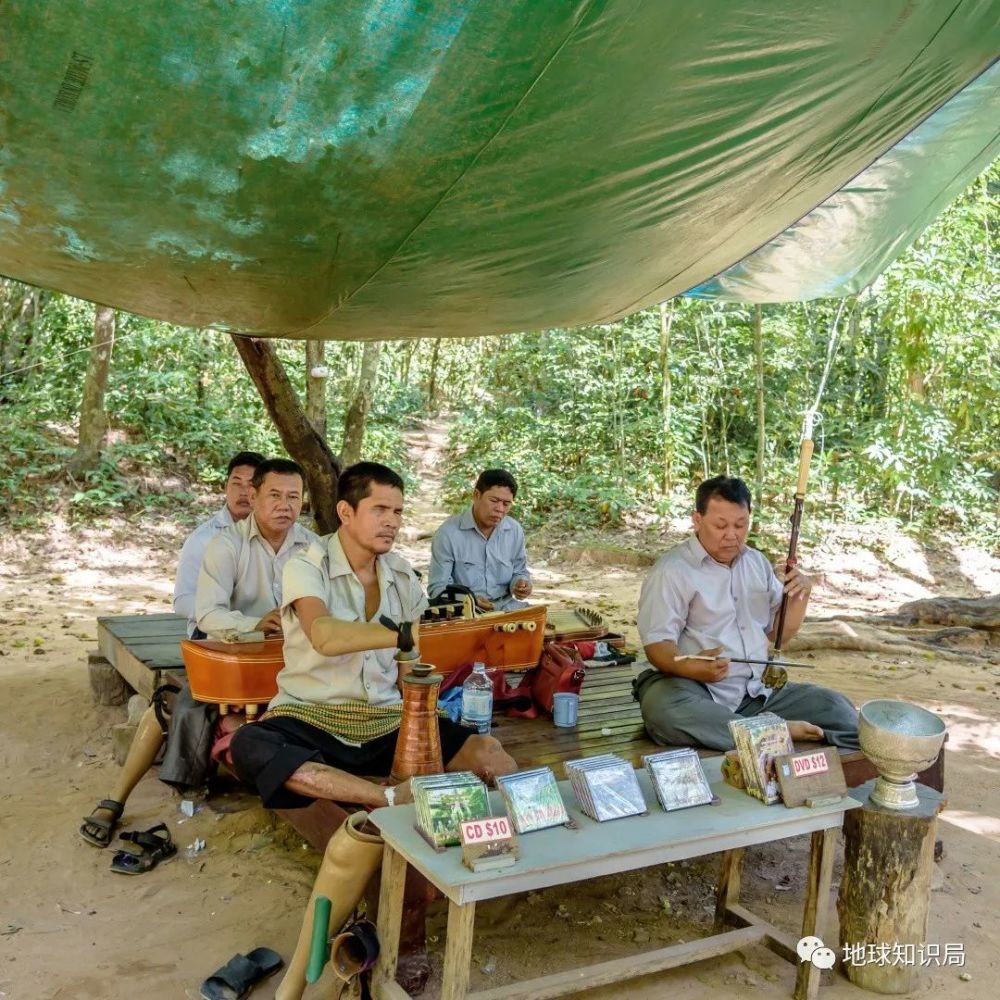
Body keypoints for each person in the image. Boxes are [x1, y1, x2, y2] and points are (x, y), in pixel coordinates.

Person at [230, 461, 516, 813]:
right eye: (379, 509)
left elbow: (409, 668)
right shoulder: (306, 565)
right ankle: (386, 797)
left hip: (386, 719)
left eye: (397, 512)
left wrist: (425, 717)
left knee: (487, 751)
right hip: (311, 717)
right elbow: (323, 636)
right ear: (345, 512)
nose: (391, 522)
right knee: (250, 744)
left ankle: (523, 820)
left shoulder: (402, 576)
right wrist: (399, 634)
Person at [79, 458, 318, 848]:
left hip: (294, 660)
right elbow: (206, 613)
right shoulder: (223, 543)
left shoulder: (313, 547)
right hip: (230, 656)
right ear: (255, 496)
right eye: (274, 495)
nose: (285, 505)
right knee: (177, 704)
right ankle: (118, 798)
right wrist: (255, 624)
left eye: (293, 497)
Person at [634, 475, 859, 752]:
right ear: (697, 520)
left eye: (740, 525)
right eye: (721, 525)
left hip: (756, 693)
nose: (732, 535)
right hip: (693, 690)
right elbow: (657, 646)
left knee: (837, 708)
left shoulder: (756, 562)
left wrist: (799, 597)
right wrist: (691, 667)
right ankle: (769, 732)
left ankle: (751, 730)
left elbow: (778, 635)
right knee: (663, 711)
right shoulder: (672, 571)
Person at [173, 451, 265, 637]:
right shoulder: (204, 538)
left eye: (251, 484)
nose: (243, 492)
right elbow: (182, 600)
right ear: (225, 487)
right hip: (212, 633)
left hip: (266, 630)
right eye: (236, 483)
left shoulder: (278, 537)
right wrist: (223, 618)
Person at [427, 468, 532, 612]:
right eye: (494, 501)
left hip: (506, 608)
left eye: (506, 504)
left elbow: (520, 571)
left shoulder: (514, 530)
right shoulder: (448, 533)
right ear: (476, 495)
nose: (500, 509)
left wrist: (521, 584)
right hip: (466, 611)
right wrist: (469, 600)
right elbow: (438, 588)